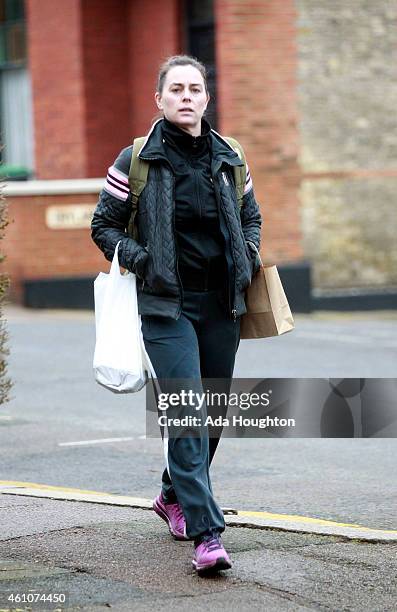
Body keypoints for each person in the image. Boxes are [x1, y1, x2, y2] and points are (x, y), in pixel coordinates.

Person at [91, 55, 262, 575]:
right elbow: (105, 226)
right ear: (160, 99)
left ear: (206, 98)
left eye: (195, 88)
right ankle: (206, 533)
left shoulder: (230, 156)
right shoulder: (137, 158)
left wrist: (249, 254)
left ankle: (172, 494)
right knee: (186, 409)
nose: (186, 96)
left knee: (209, 415)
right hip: (167, 305)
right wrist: (143, 261)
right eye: (176, 89)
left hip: (221, 303)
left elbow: (251, 216)